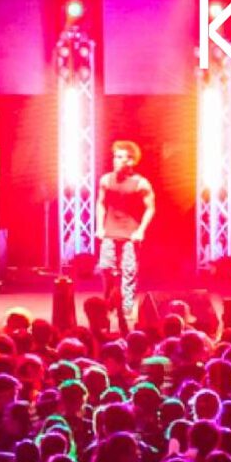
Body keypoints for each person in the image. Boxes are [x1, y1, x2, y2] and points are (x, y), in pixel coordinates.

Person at [97, 140, 153, 327]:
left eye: (122, 157)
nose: (117, 160)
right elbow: (100, 203)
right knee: (106, 269)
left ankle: (127, 309)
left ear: (131, 161)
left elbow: (150, 208)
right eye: (116, 156)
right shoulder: (106, 180)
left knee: (128, 272)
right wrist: (99, 226)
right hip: (110, 232)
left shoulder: (141, 183)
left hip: (130, 234)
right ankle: (108, 305)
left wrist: (141, 230)